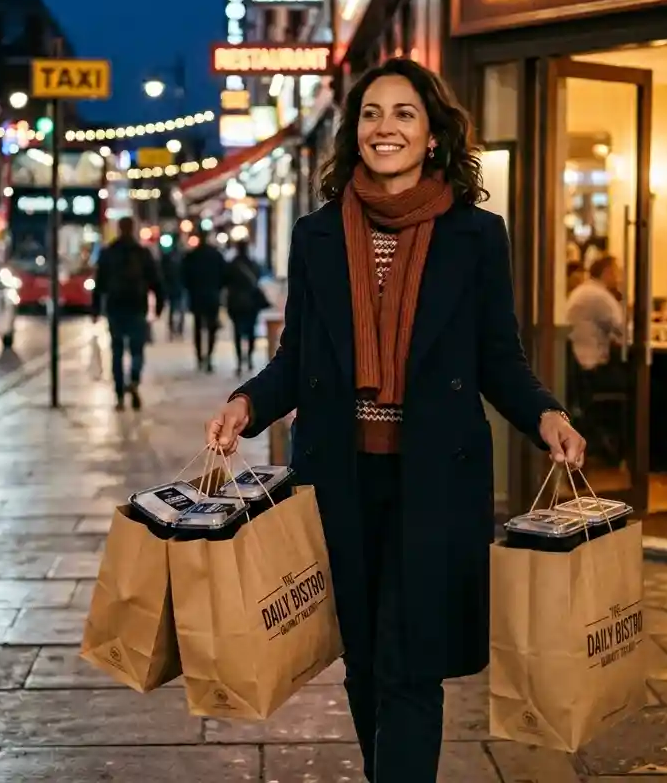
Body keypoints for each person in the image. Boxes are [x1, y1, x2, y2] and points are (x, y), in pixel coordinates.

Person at [204, 57, 585, 783]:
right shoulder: (317, 235)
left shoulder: (478, 237)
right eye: (373, 114)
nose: (386, 128)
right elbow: (296, 359)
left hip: (435, 480)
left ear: (434, 136)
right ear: (356, 134)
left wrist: (546, 415)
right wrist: (247, 403)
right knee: (364, 661)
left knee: (413, 664)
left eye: (404, 113)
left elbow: (497, 358)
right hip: (339, 476)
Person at [92, 217, 164, 410]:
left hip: (115, 307)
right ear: (133, 229)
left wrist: (96, 309)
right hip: (136, 307)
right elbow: (156, 282)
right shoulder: (142, 253)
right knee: (137, 350)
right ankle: (133, 379)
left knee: (116, 351)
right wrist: (159, 307)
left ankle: (119, 394)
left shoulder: (108, 253)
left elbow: (99, 284)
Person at [564, 255, 626, 371]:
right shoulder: (600, 296)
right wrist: (622, 292)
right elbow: (622, 330)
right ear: (608, 272)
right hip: (592, 366)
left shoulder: (583, 290)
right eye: (618, 272)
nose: (620, 278)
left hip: (577, 363)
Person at [181, 224, 227, 371]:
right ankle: (209, 357)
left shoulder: (192, 256)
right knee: (212, 327)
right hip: (212, 295)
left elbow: (184, 277)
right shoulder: (215, 255)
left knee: (198, 327)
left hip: (197, 296)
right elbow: (223, 275)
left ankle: (200, 357)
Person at [224, 239, 269, 375]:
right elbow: (259, 277)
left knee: (237, 332)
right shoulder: (254, 264)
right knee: (251, 332)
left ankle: (239, 362)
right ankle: (249, 359)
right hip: (251, 303)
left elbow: (225, 281)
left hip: (236, 303)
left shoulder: (232, 265)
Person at [160, 235, 187, 338]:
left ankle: (173, 328)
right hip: (179, 286)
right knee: (180, 309)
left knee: (173, 309)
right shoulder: (182, 257)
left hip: (173, 286)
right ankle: (178, 328)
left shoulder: (167, 257)